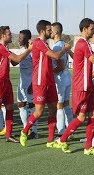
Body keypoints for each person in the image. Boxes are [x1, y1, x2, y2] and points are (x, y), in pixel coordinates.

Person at [56, 18, 94, 156]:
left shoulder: (86, 44)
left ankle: (88, 147)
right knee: (81, 117)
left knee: (93, 114)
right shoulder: (83, 44)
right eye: (91, 28)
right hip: (82, 86)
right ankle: (62, 139)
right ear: (84, 29)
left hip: (88, 85)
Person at [19, 20, 70, 148]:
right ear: (42, 31)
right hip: (40, 82)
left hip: (50, 82)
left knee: (53, 109)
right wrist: (64, 49)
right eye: (48, 30)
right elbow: (56, 56)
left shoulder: (45, 43)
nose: (50, 32)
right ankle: (24, 132)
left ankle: (50, 140)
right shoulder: (38, 42)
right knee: (39, 112)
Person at [50, 22, 73, 138]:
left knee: (59, 105)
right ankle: (70, 128)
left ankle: (61, 131)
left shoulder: (57, 46)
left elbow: (60, 66)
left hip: (60, 78)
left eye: (51, 30)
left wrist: (49, 73)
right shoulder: (64, 44)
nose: (50, 32)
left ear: (56, 32)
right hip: (67, 77)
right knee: (66, 104)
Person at [14, 29, 38, 139]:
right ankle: (26, 129)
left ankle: (34, 131)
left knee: (32, 106)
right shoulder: (21, 51)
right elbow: (14, 62)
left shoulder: (32, 52)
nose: (18, 39)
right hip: (22, 83)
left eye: (20, 37)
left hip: (30, 83)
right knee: (21, 105)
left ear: (27, 39)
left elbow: (36, 69)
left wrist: (33, 83)